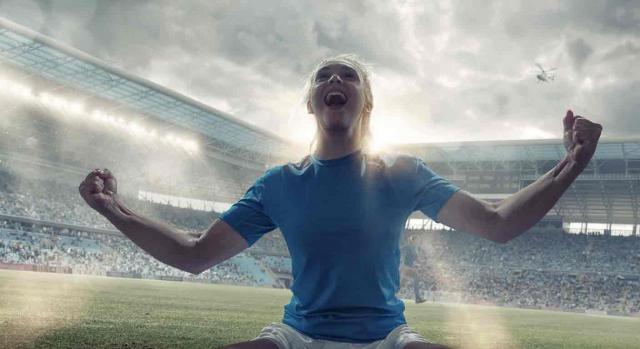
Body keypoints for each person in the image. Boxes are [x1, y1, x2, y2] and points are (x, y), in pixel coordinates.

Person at [79, 54, 602, 349]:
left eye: (348, 75)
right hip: (295, 337)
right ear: (311, 102)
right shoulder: (279, 183)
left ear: (365, 101)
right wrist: (112, 208)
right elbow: (194, 253)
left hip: (389, 339)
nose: (335, 80)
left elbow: (498, 222)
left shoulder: (401, 173)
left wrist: (572, 163)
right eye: (324, 76)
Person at [400, 234, 426, 304]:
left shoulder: (414, 248)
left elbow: (415, 258)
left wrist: (421, 262)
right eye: (418, 239)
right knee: (416, 277)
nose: (419, 241)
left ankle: (389, 294)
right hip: (406, 267)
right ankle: (417, 298)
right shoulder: (409, 246)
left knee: (402, 283)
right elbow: (400, 249)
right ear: (414, 240)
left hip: (407, 267)